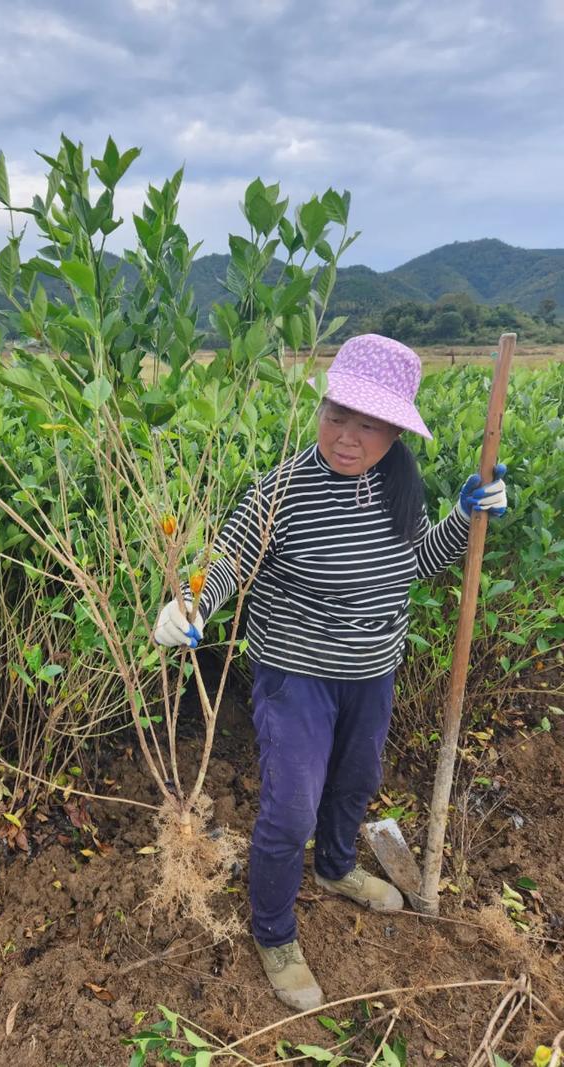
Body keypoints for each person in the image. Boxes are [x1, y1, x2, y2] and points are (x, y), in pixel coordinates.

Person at [153, 334, 508, 1010]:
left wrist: (463, 518)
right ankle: (274, 931)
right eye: (337, 414)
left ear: (396, 430)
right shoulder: (280, 490)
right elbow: (229, 561)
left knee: (356, 780)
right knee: (289, 808)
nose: (348, 436)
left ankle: (338, 865)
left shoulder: (401, 483)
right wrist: (191, 602)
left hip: (372, 670)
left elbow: (416, 563)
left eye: (369, 423)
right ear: (321, 408)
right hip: (296, 675)